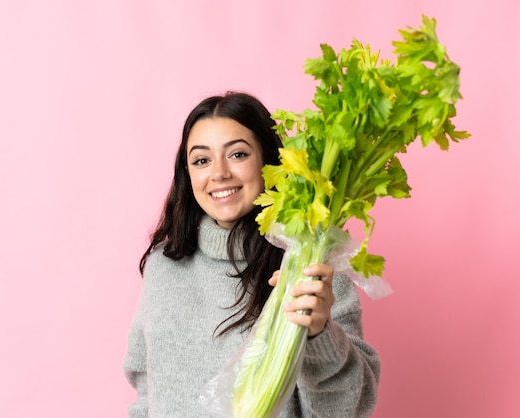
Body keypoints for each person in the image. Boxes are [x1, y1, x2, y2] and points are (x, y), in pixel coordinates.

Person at [123, 91, 381, 417]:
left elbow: (349, 408)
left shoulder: (310, 266)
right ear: (188, 176)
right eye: (202, 160)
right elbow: (147, 393)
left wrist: (319, 334)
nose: (219, 173)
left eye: (238, 155)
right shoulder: (165, 267)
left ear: (269, 162)